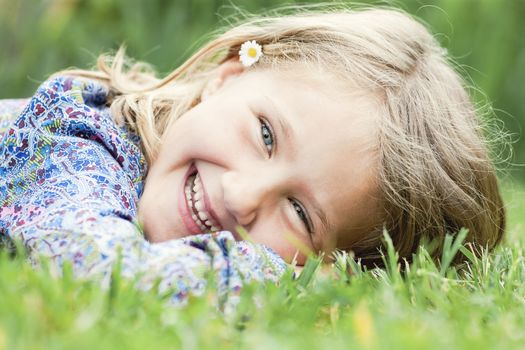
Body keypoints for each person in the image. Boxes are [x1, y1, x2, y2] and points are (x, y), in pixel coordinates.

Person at [0, 6, 505, 306]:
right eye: (266, 135)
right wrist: (290, 277)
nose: (241, 197)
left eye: (301, 214)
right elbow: (104, 273)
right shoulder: (72, 135)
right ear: (228, 77)